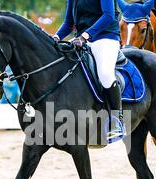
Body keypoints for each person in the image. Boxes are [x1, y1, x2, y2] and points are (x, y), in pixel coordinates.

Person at [53, 0, 125, 141]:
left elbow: (108, 16)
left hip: (105, 37)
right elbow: (68, 23)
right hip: (81, 39)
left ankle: (117, 119)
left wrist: (85, 36)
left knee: (105, 74)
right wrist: (56, 37)